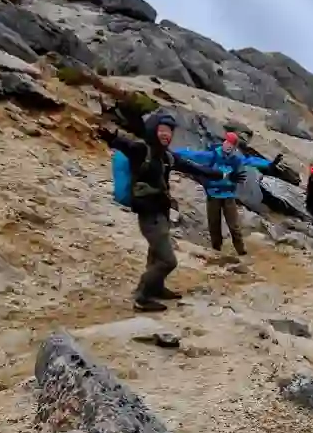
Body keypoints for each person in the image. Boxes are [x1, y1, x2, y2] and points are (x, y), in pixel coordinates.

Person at [95, 114, 222, 311]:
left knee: (155, 253)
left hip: (161, 211)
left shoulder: (167, 156)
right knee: (167, 260)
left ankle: (157, 288)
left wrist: (217, 174)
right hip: (148, 214)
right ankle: (142, 296)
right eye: (162, 130)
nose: (166, 134)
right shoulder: (141, 150)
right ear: (153, 129)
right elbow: (126, 145)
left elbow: (190, 166)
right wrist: (112, 139)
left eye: (169, 131)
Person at [174, 132, 282, 257]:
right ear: (224, 142)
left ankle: (241, 251)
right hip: (213, 194)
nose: (228, 146)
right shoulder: (213, 156)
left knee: (234, 225)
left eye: (231, 144)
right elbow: (194, 155)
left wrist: (269, 164)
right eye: (227, 142)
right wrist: (174, 152)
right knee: (214, 224)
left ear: (234, 147)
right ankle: (216, 251)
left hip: (228, 195)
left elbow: (251, 161)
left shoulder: (235, 159)